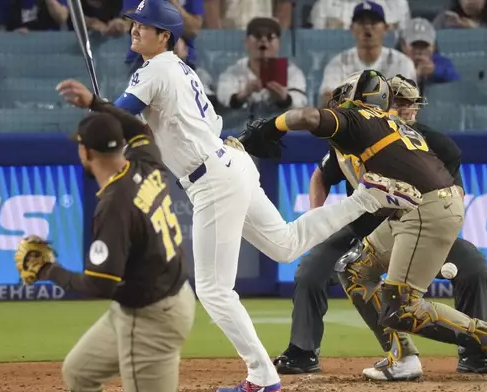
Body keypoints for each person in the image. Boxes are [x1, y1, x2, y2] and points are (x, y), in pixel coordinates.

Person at [60, 1, 423, 391]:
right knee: (284, 246)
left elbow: (122, 113)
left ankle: (262, 377)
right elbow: (139, 123)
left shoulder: (158, 68)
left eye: (143, 26)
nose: (135, 29)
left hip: (212, 176)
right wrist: (104, 109)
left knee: (215, 290)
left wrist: (96, 105)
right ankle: (366, 197)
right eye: (134, 23)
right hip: (228, 161)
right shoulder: (178, 68)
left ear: (164, 36)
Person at [238, 69, 487, 381]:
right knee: (354, 270)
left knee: (400, 309)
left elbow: (306, 116)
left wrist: (274, 127)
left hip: (425, 210)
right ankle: (403, 358)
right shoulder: (391, 125)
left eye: (343, 98)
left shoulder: (359, 118)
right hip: (410, 210)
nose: (338, 104)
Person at [14, 90, 196, 391]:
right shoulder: (146, 161)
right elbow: (139, 129)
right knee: (79, 373)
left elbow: (101, 284)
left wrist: (47, 270)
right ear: (123, 145)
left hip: (152, 320)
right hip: (156, 300)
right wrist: (95, 104)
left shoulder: (114, 205)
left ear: (86, 153)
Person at [318, 1, 415, 107]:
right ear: (352, 28)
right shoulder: (339, 63)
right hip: (351, 121)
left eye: (374, 22)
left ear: (385, 28)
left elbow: (408, 103)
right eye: (361, 23)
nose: (367, 27)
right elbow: (327, 98)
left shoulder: (402, 62)